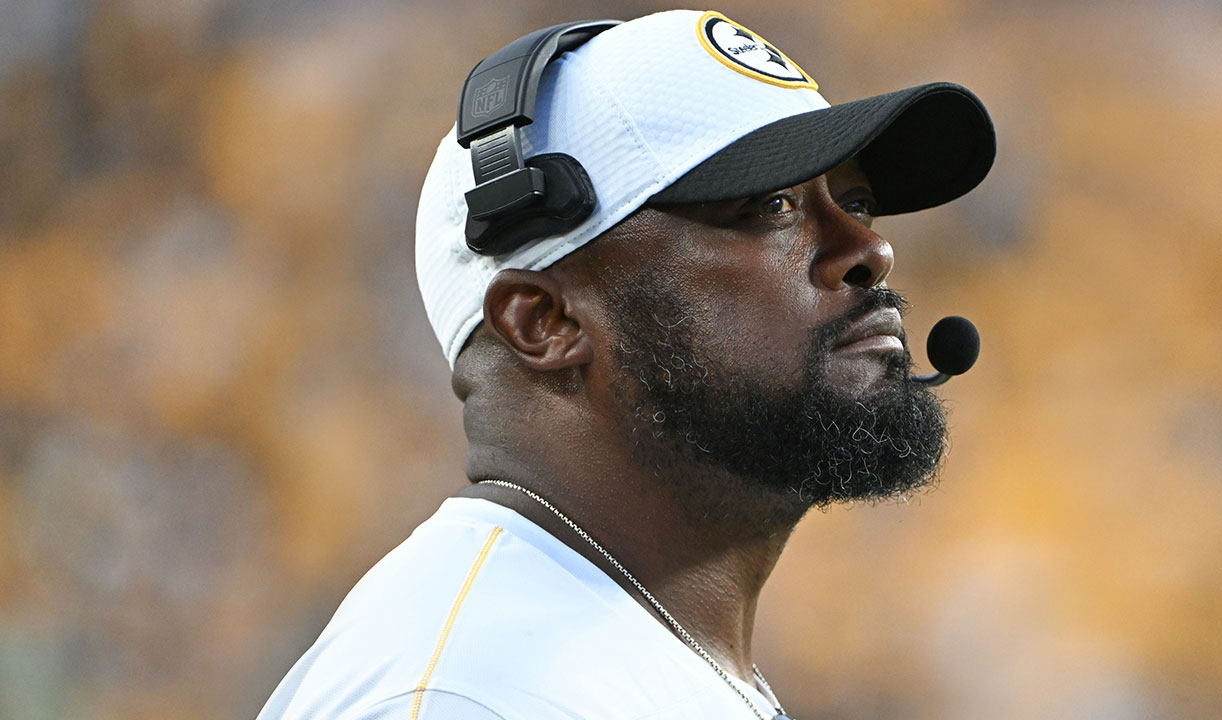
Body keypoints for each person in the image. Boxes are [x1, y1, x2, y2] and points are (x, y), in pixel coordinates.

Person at [257, 9, 995, 720]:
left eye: (855, 201)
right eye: (771, 206)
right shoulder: (467, 695)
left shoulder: (626, 648)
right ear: (544, 322)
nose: (869, 250)